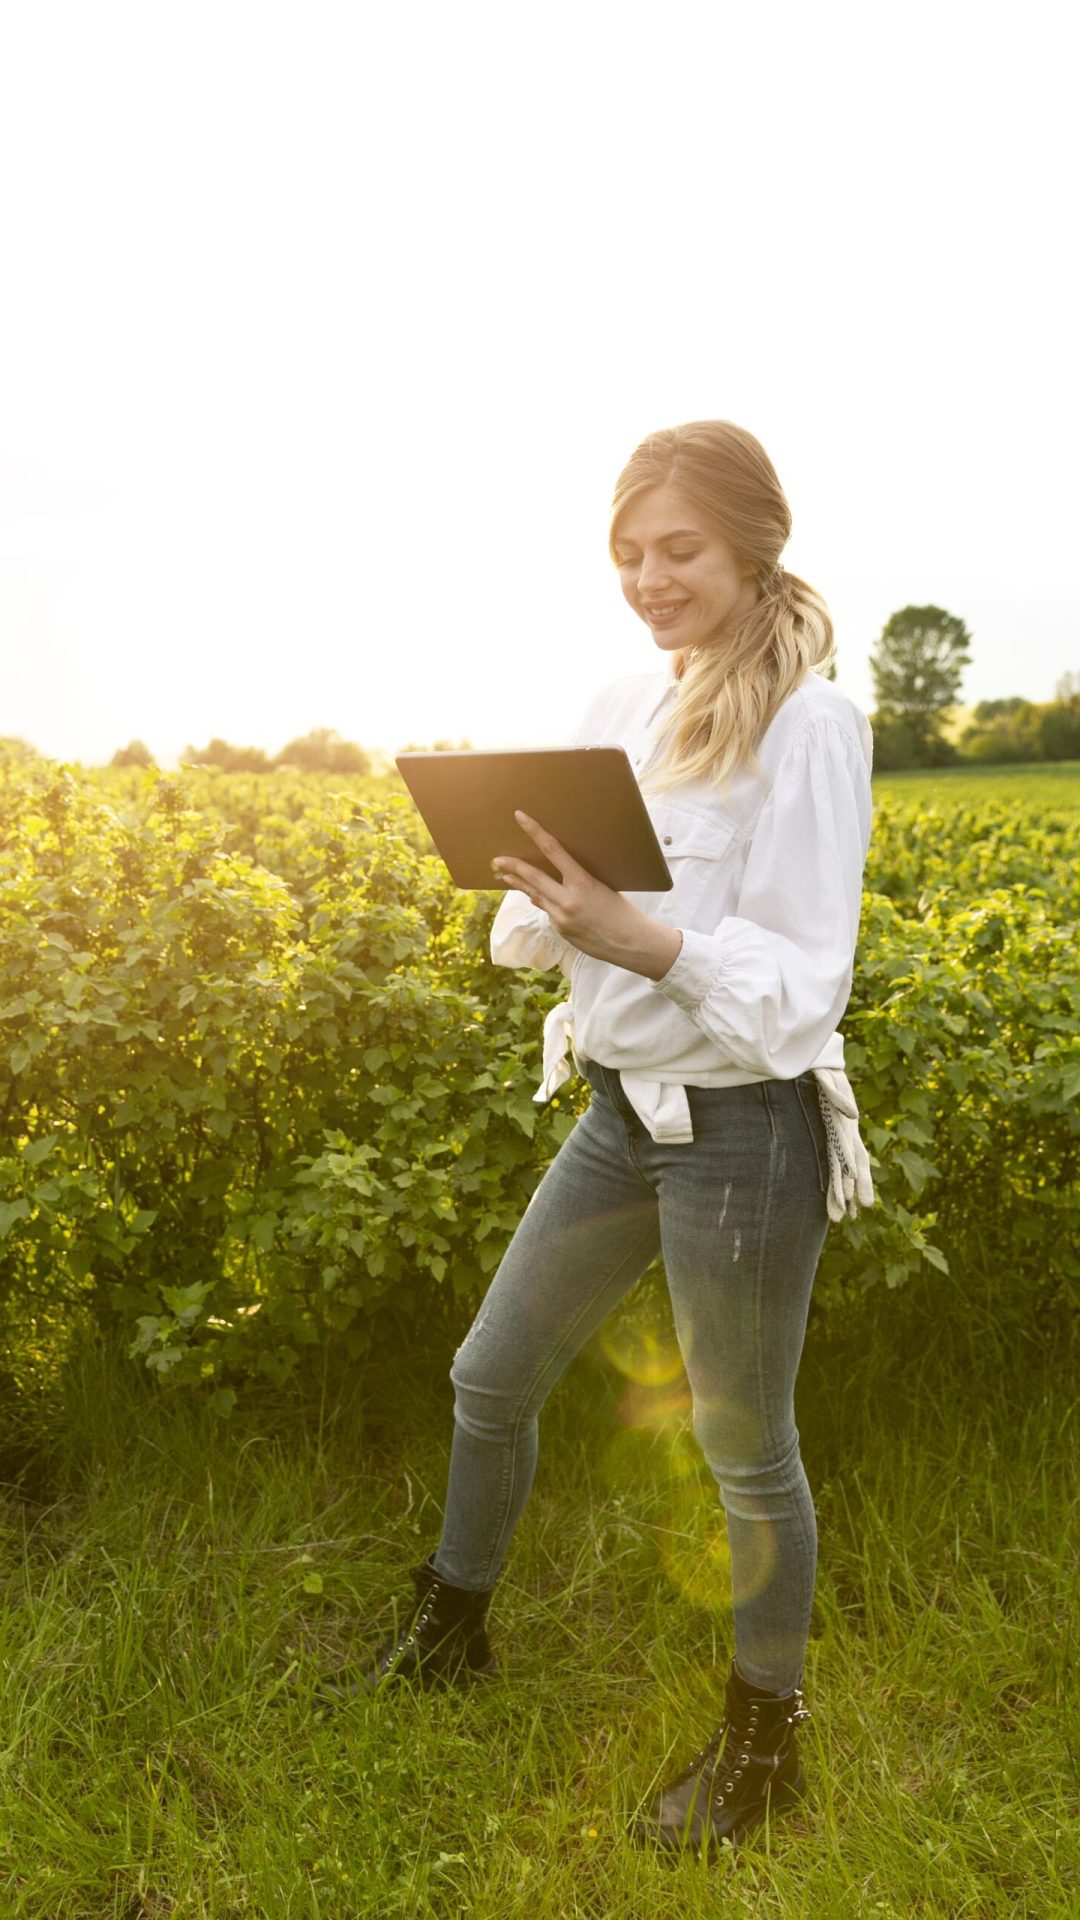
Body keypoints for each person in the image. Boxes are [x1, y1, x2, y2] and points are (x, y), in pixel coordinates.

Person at [319, 419, 875, 1859]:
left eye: (677, 548)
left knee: (747, 1453)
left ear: (755, 541)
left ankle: (767, 1741)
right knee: (490, 1374)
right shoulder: (626, 697)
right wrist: (541, 894)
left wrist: (637, 932)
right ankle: (452, 1632)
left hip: (748, 1134)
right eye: (628, 552)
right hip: (622, 1117)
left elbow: (804, 986)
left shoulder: (813, 722)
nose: (648, 576)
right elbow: (546, 928)